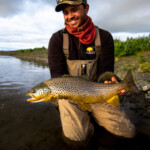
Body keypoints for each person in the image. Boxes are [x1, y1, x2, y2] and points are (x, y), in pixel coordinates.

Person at [48, 0, 136, 148]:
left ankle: (90, 119)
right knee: (77, 140)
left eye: (74, 10)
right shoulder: (57, 40)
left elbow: (105, 71)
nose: (70, 16)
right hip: (70, 96)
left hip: (98, 93)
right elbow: (57, 77)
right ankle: (84, 122)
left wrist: (110, 79)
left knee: (128, 133)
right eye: (65, 12)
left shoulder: (104, 37)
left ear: (86, 8)